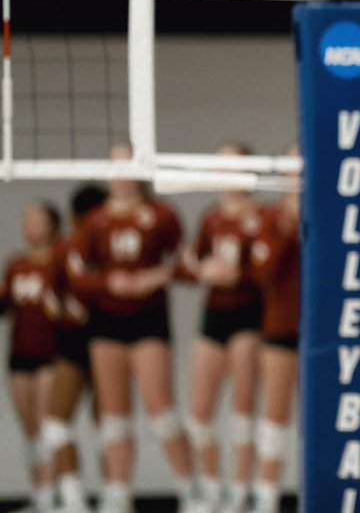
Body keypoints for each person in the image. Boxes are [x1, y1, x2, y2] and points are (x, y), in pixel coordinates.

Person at [67, 144, 200, 513]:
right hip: (107, 322)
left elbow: (188, 266)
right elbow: (77, 277)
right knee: (114, 418)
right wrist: (109, 282)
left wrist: (154, 276)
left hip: (148, 320)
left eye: (127, 166)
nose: (121, 175)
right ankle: (117, 494)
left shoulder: (161, 216)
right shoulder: (95, 221)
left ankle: (191, 491)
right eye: (114, 167)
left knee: (162, 413)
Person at [178, 143, 264, 513]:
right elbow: (189, 264)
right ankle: (211, 490)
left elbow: (272, 272)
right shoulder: (211, 217)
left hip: (249, 316)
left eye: (233, 164)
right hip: (213, 316)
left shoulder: (261, 217)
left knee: (243, 412)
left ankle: (239, 493)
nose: (226, 172)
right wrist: (202, 270)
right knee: (199, 413)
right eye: (221, 165)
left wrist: (240, 274)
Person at [41, 183, 108, 513]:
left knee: (110, 426)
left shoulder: (111, 245)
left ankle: (113, 497)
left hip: (111, 337)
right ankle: (74, 500)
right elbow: (49, 296)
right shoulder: (66, 248)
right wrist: (69, 312)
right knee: (57, 424)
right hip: (76, 340)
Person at [248, 159, 302, 513]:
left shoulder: (336, 212)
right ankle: (265, 495)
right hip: (281, 327)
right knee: (274, 414)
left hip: (326, 331)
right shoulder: (270, 219)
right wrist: (286, 228)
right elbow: (262, 274)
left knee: (328, 414)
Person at [2, 201, 62, 513]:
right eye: (27, 219)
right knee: (29, 430)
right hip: (20, 353)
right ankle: (38, 493)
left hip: (51, 354)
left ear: (52, 225)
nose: (30, 225)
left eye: (37, 219)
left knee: (45, 426)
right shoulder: (16, 265)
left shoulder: (61, 260)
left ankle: (51, 494)